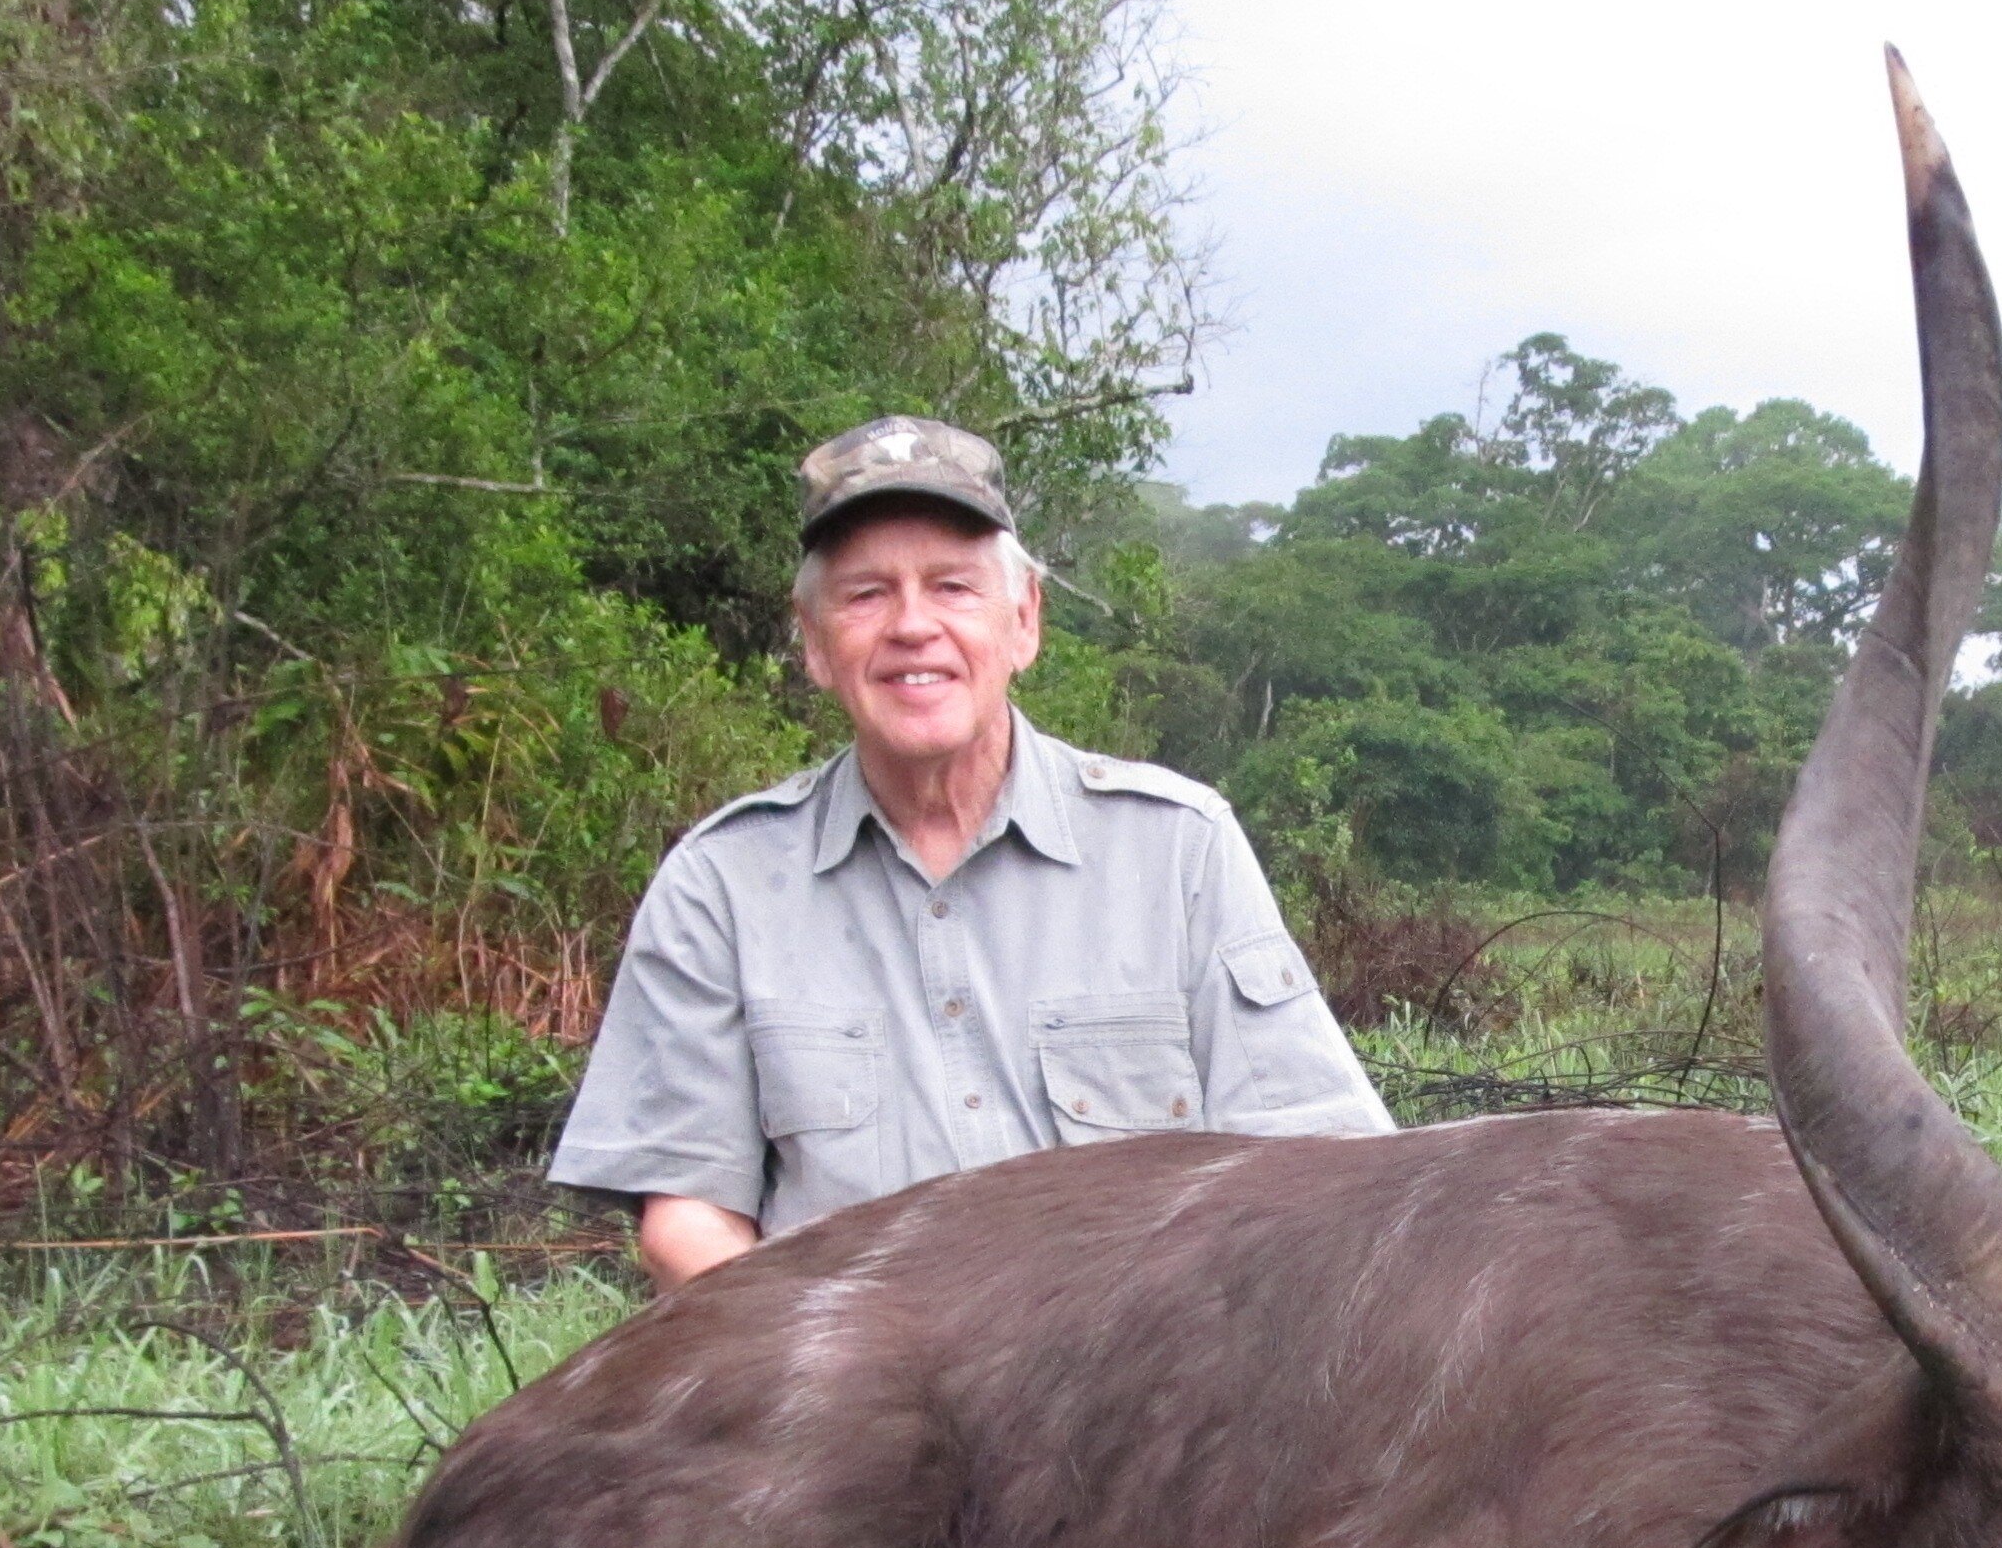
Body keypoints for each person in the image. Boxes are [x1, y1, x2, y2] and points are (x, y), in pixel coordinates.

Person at [550, 416, 1394, 1286]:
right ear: (811, 639)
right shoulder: (720, 882)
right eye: (866, 594)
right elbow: (688, 1223)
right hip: (851, 1405)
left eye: (952, 587)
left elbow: (1326, 1177)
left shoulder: (1178, 846)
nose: (913, 626)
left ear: (1023, 621)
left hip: (1152, 1402)